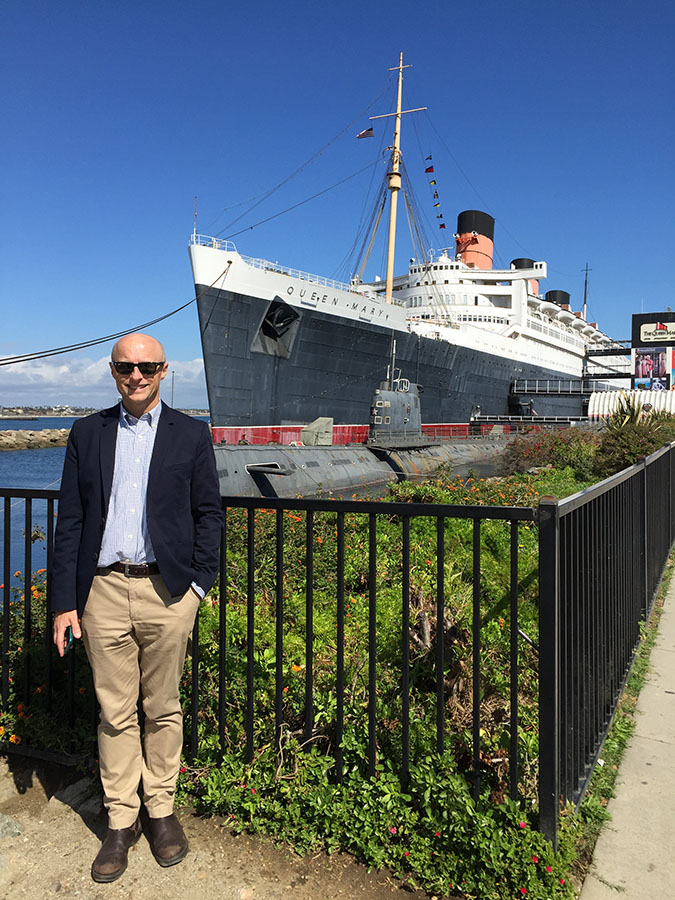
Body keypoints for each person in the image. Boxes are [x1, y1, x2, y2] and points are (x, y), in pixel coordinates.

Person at [49, 333, 223, 883]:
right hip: (101, 592)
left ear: (164, 371)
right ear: (113, 371)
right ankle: (121, 820)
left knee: (163, 706)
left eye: (147, 366)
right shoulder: (87, 433)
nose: (137, 375)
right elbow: (71, 521)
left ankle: (161, 809)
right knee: (115, 712)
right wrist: (64, 603)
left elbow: (209, 514)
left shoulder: (191, 434)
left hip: (168, 591)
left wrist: (197, 588)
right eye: (126, 366)